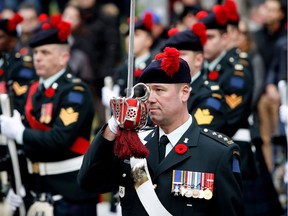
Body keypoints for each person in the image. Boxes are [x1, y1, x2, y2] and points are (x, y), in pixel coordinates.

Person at [78, 47, 244, 216]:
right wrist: (113, 126)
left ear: (184, 93)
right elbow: (90, 181)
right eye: (147, 91)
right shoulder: (135, 143)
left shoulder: (217, 153)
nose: (150, 99)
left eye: (159, 90)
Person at [0, 14, 99, 215]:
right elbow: (22, 148)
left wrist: (21, 133)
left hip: (69, 190)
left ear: (64, 57)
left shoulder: (75, 92)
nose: (37, 57)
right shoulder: (33, 90)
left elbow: (59, 139)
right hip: (35, 187)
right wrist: (14, 182)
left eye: (45, 52)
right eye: (36, 52)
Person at [163, 23, 227, 132]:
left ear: (198, 59)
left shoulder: (209, 94)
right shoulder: (164, 91)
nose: (174, 60)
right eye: (169, 56)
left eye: (181, 54)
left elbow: (199, 134)